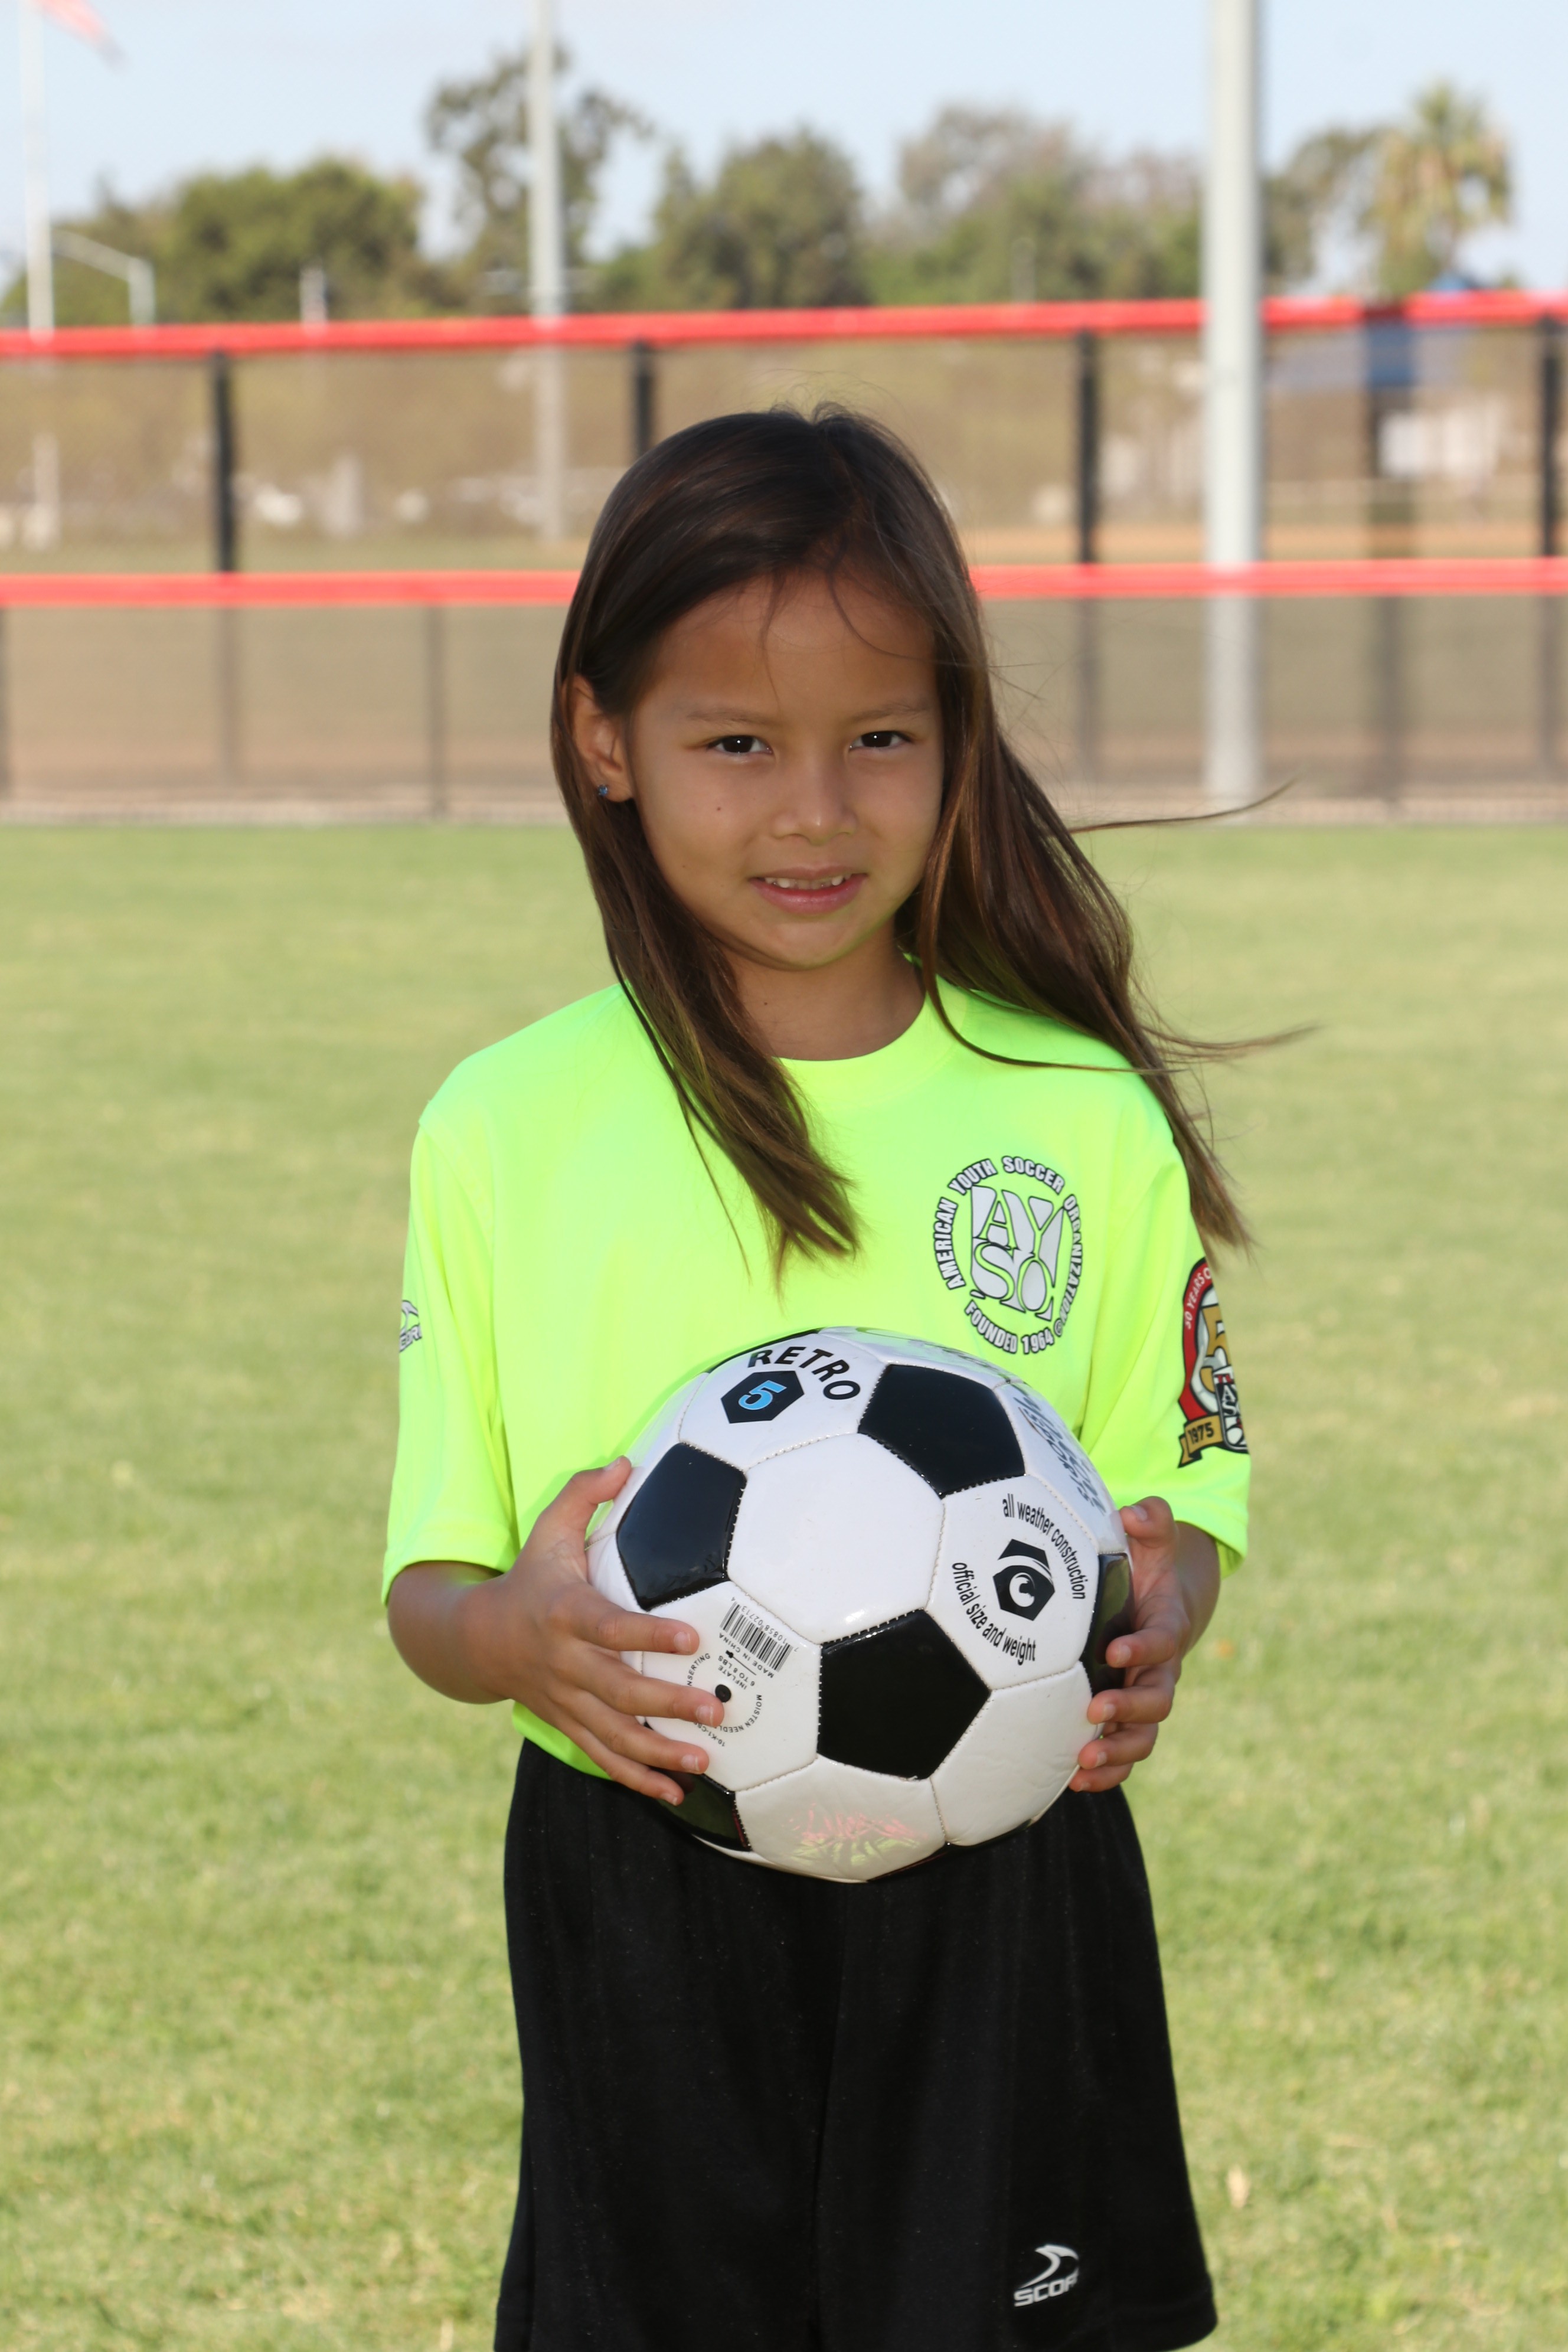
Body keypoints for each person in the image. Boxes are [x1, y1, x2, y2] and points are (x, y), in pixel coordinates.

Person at [384, 407, 1251, 2352]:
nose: (814, 812)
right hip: (642, 1869)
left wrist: (1162, 1614)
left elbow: (1180, 1505)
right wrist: (517, 1634)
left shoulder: (1076, 1113)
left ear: (956, 743)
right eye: (736, 745)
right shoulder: (505, 1127)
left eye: (879, 739)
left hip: (1006, 1859)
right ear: (604, 737)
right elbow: (431, 1588)